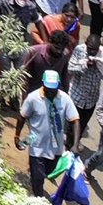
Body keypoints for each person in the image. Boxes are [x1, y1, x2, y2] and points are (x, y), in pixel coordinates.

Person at [17, 68, 80, 196]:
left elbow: (75, 120)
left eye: (53, 89)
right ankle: (38, 198)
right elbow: (22, 116)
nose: (50, 92)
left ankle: (35, 177)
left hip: (56, 146)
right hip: (36, 142)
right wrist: (17, 135)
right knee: (38, 177)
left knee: (48, 171)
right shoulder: (33, 98)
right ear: (43, 84)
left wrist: (75, 144)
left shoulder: (65, 99)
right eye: (48, 89)